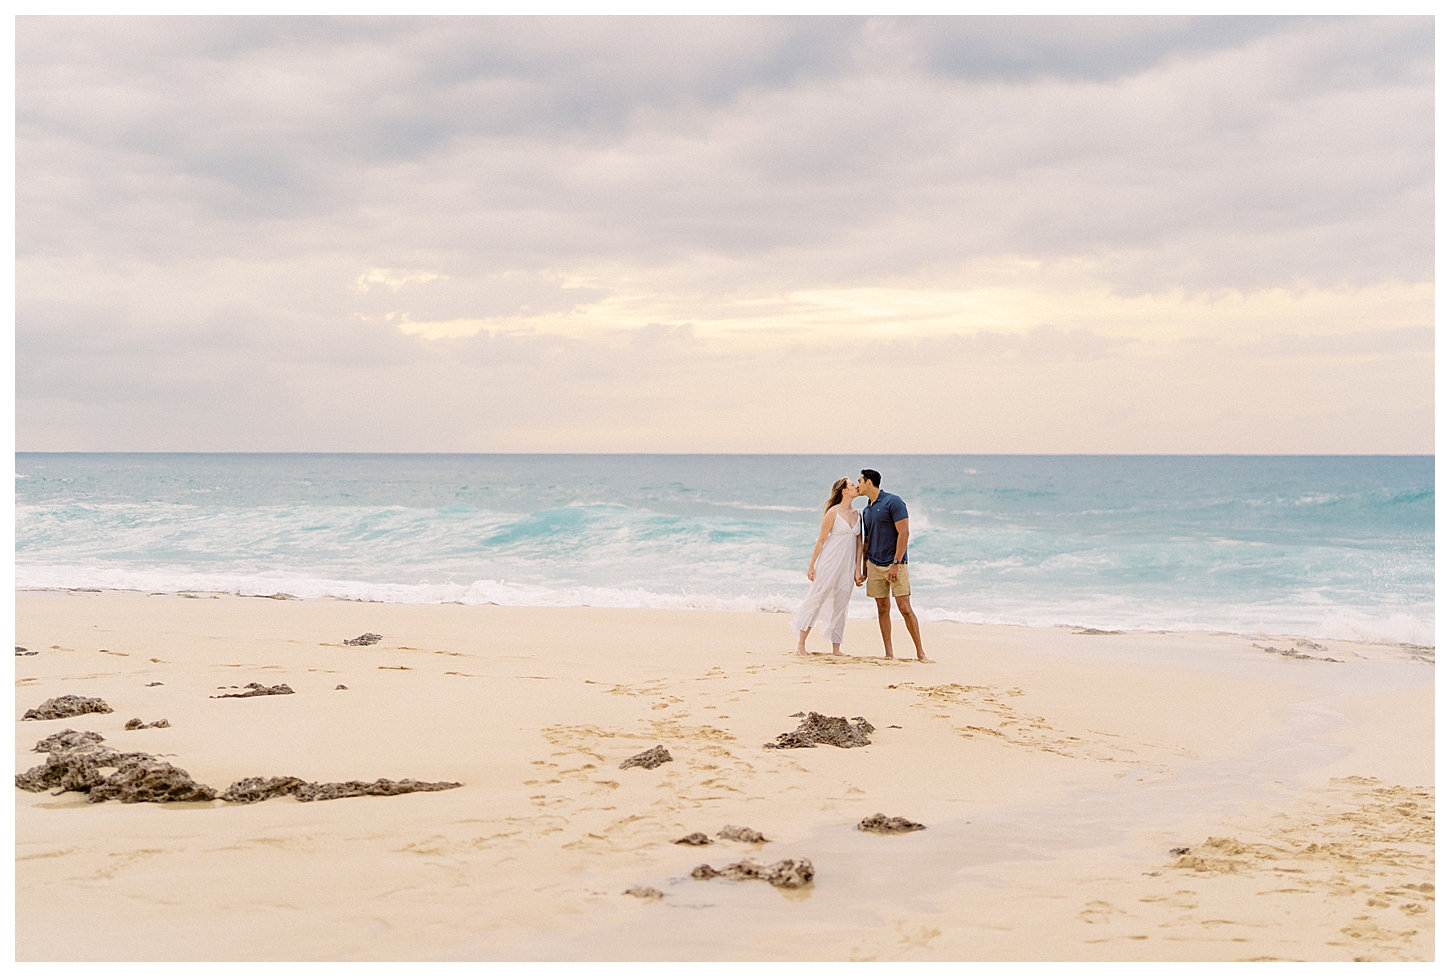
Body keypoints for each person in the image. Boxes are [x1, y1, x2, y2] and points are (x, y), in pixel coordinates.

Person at [858, 469, 930, 661]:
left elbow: (904, 533)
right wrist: (864, 568)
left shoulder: (893, 502)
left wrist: (896, 563)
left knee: (905, 608)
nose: (857, 485)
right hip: (874, 564)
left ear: (869, 483)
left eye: (860, 481)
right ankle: (889, 653)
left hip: (895, 563)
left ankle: (920, 653)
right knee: (882, 609)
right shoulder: (867, 510)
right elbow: (867, 539)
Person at [791, 477, 864, 656]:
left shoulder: (858, 514)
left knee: (841, 603)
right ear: (844, 491)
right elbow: (821, 541)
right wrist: (811, 566)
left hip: (847, 566)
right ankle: (801, 644)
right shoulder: (833, 512)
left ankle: (836, 648)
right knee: (817, 599)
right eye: (852, 484)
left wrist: (857, 569)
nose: (856, 486)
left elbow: (859, 544)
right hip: (829, 562)